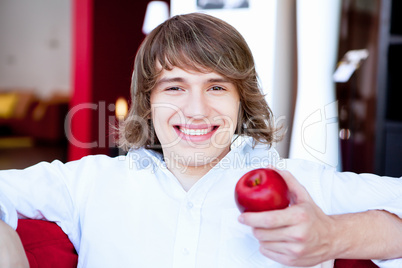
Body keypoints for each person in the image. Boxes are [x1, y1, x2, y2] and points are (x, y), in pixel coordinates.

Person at [0, 12, 402, 268]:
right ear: (148, 102)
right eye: (174, 88)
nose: (196, 109)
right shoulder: (87, 183)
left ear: (241, 101)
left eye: (216, 87)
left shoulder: (302, 185)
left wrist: (332, 236)